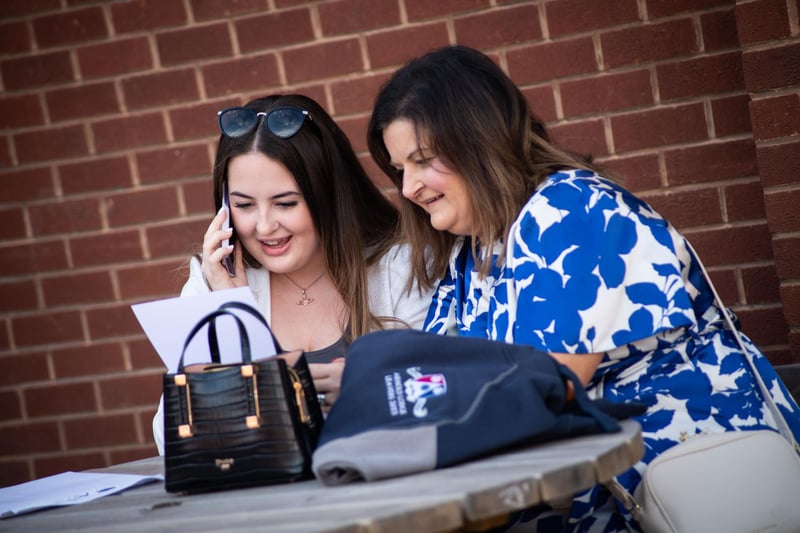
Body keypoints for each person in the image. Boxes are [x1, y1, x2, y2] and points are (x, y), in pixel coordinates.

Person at [366, 45, 800, 531]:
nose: (408, 188)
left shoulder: (569, 210)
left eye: (422, 160)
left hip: (684, 481)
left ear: (477, 139)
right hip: (578, 487)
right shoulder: (471, 253)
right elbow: (445, 379)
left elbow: (549, 388)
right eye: (400, 169)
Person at [152, 93, 432, 455]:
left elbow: (436, 396)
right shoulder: (212, 283)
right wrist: (235, 311)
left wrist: (365, 391)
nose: (265, 226)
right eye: (243, 205)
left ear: (329, 195)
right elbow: (172, 437)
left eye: (286, 203)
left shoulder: (401, 266)